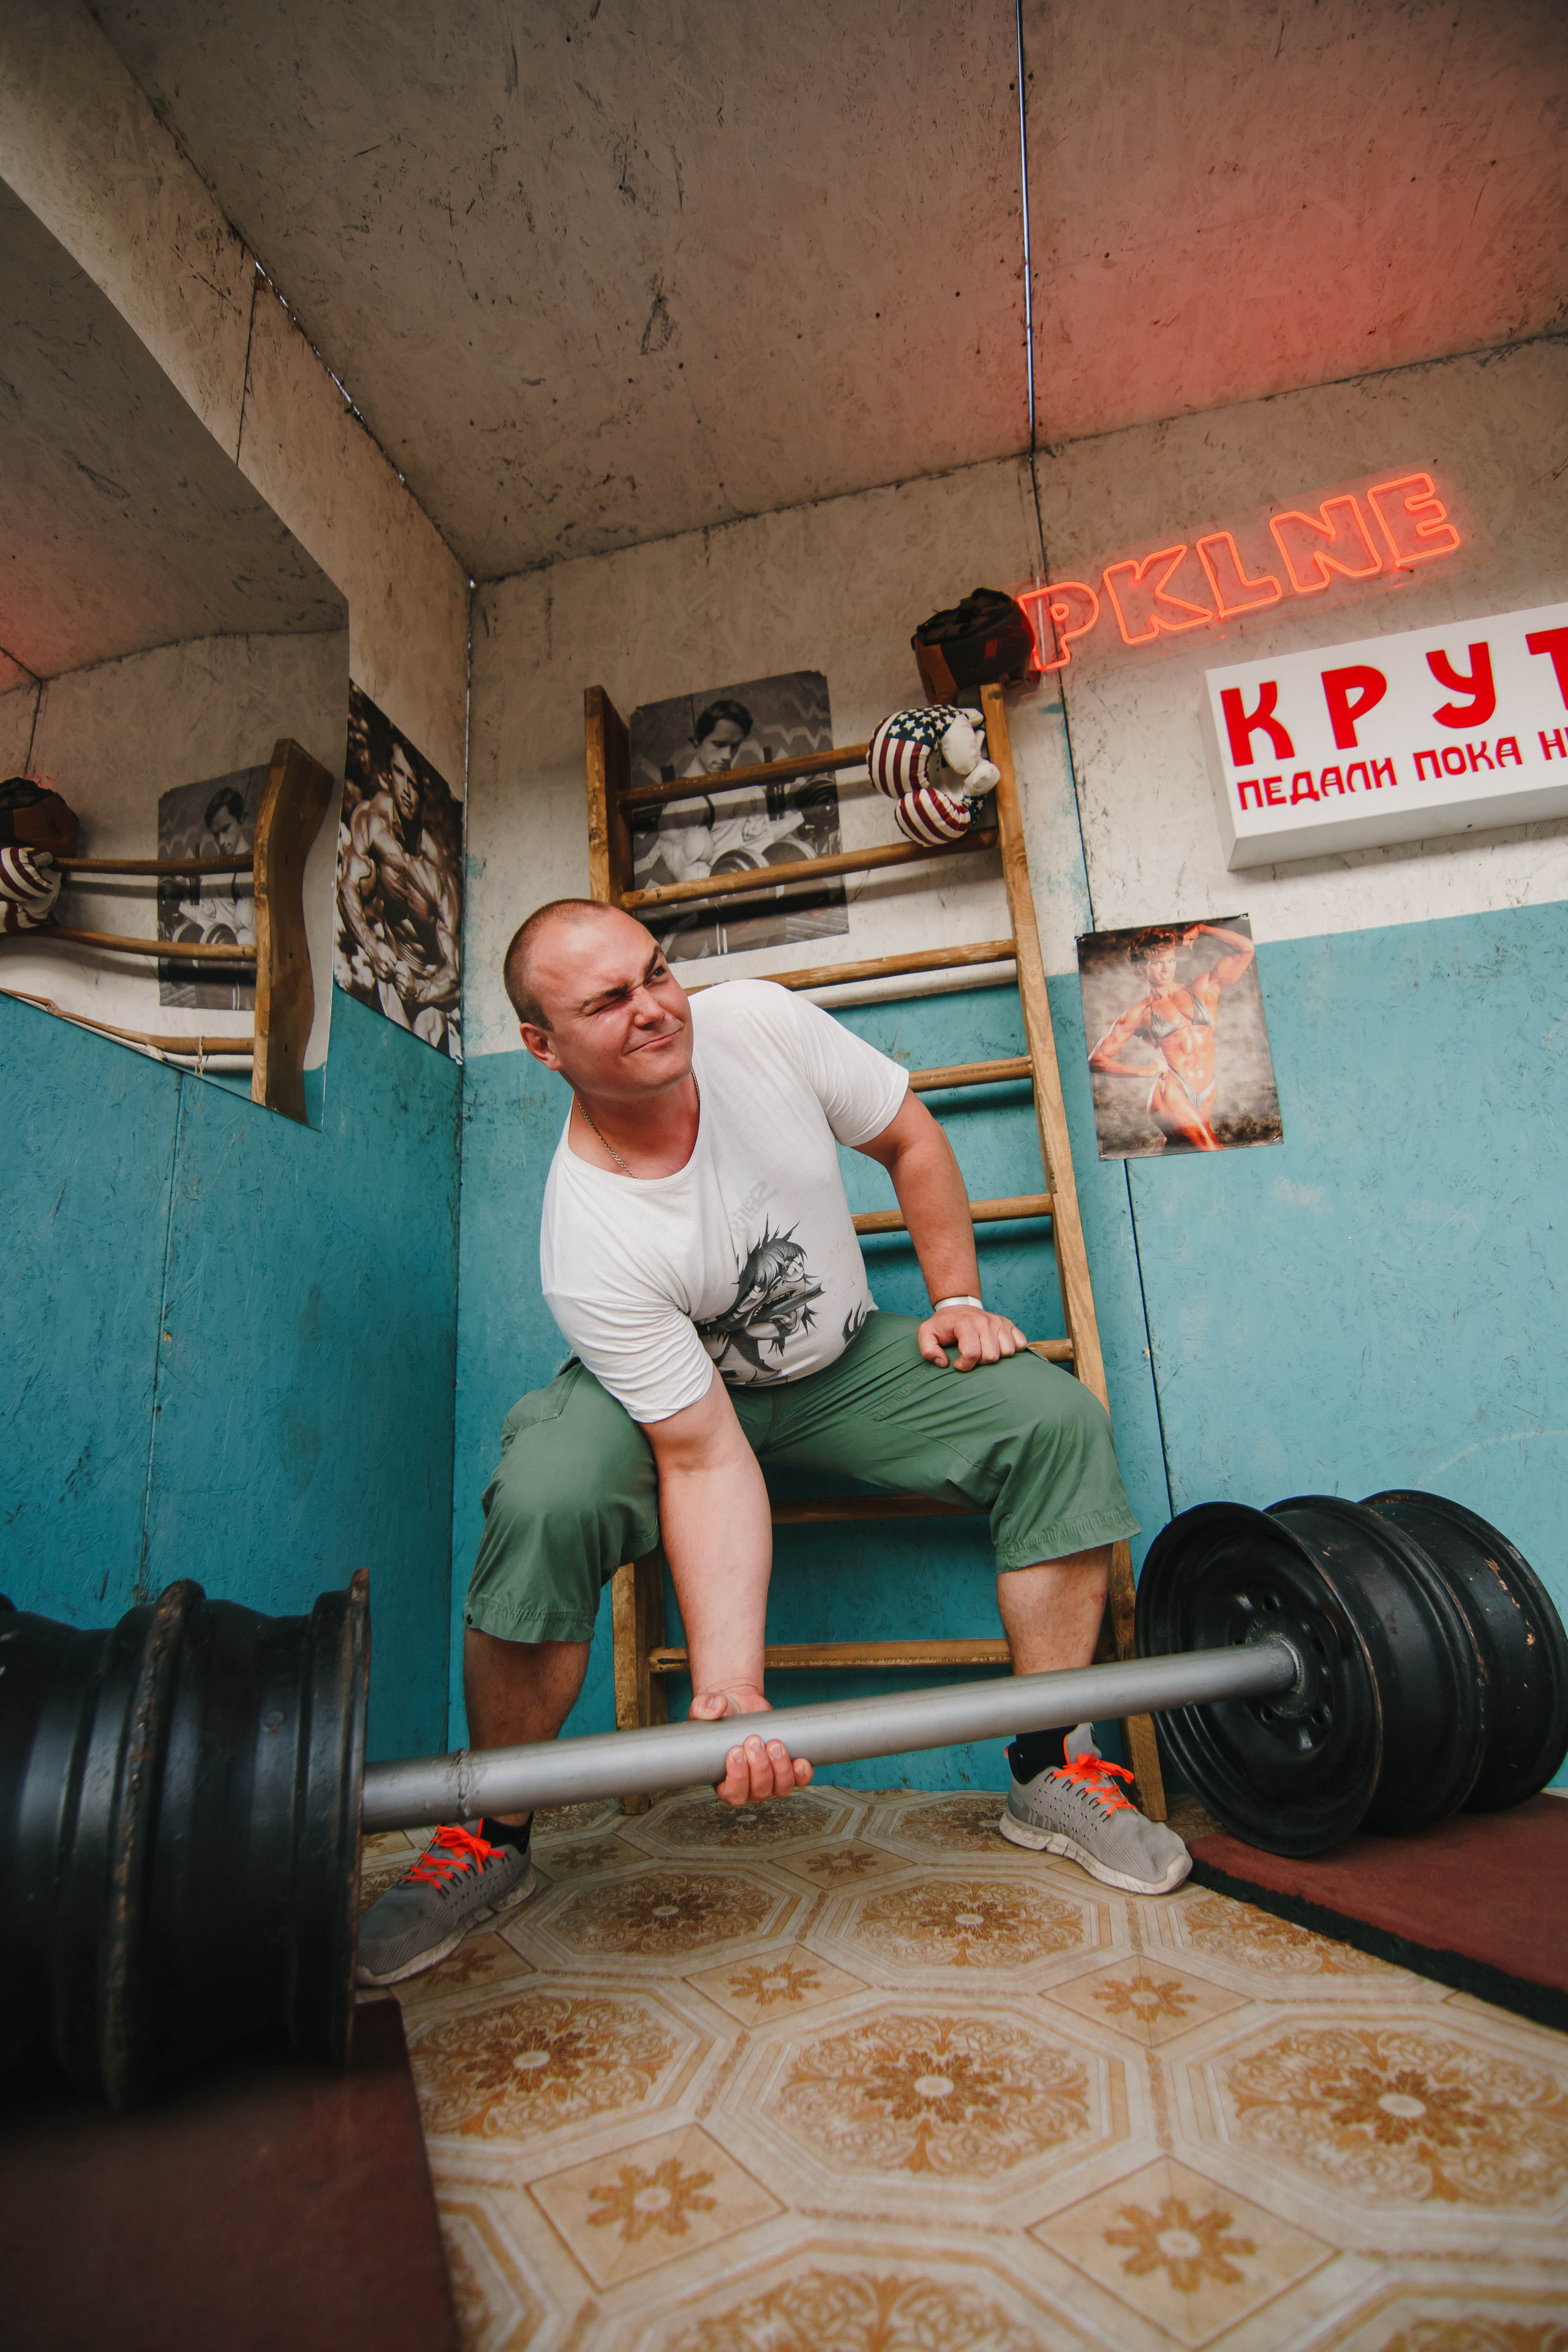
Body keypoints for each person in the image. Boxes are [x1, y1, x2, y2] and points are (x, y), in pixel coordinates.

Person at [356, 900, 1189, 1986]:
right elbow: (701, 1455)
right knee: (547, 1493)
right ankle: (489, 1829)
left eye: (654, 973)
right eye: (609, 1001)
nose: (654, 1008)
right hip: (675, 1407)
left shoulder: (756, 1025)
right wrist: (732, 1692)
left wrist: (958, 1295)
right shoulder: (591, 1237)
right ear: (542, 1047)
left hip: (839, 1367)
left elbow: (909, 1137)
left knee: (1055, 1419)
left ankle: (1053, 1766)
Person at [1088, 923, 1256, 1152]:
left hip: (1206, 1091)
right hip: (1171, 1095)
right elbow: (1096, 1060)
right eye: (1157, 963)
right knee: (1212, 1151)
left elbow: (1246, 949)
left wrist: (1203, 929)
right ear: (1140, 969)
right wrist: (1140, 1071)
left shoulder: (1203, 988)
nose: (1166, 969)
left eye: (1171, 961)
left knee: (1180, 1153)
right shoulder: (1138, 1014)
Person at [338, 739, 461, 1050]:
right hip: (393, 971)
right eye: (400, 775)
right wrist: (372, 944)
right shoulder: (371, 822)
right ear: (388, 776)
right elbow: (348, 887)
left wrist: (420, 990)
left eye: (415, 784)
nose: (407, 789)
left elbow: (455, 974)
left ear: (423, 793)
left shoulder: (437, 870)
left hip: (430, 987)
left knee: (422, 1053)